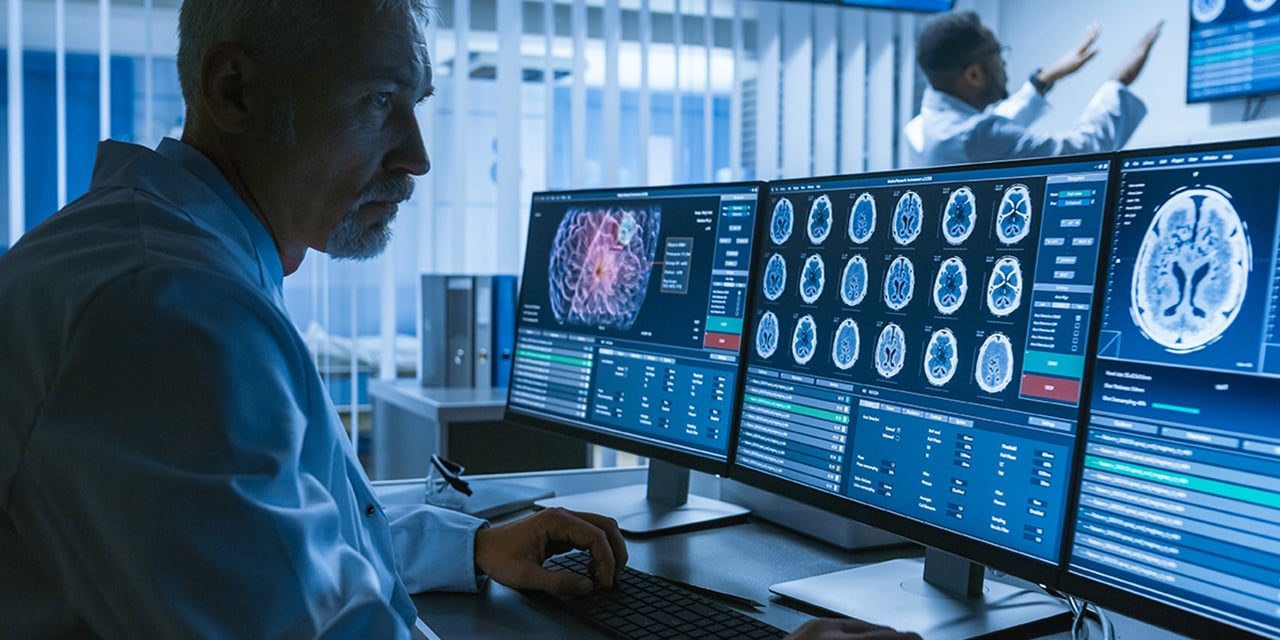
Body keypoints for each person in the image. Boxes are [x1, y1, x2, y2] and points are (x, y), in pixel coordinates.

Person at [0, 1, 921, 639]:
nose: (418, 155)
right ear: (236, 91)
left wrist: (470, 543)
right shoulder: (164, 314)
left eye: (417, 106)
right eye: (378, 103)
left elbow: (279, 541)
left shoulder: (182, 271)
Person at [904, 10, 1162, 168]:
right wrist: (1118, 82)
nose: (1004, 62)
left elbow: (995, 125)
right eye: (997, 53)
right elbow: (1081, 152)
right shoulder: (974, 138)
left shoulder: (921, 128)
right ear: (973, 75)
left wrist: (1046, 78)